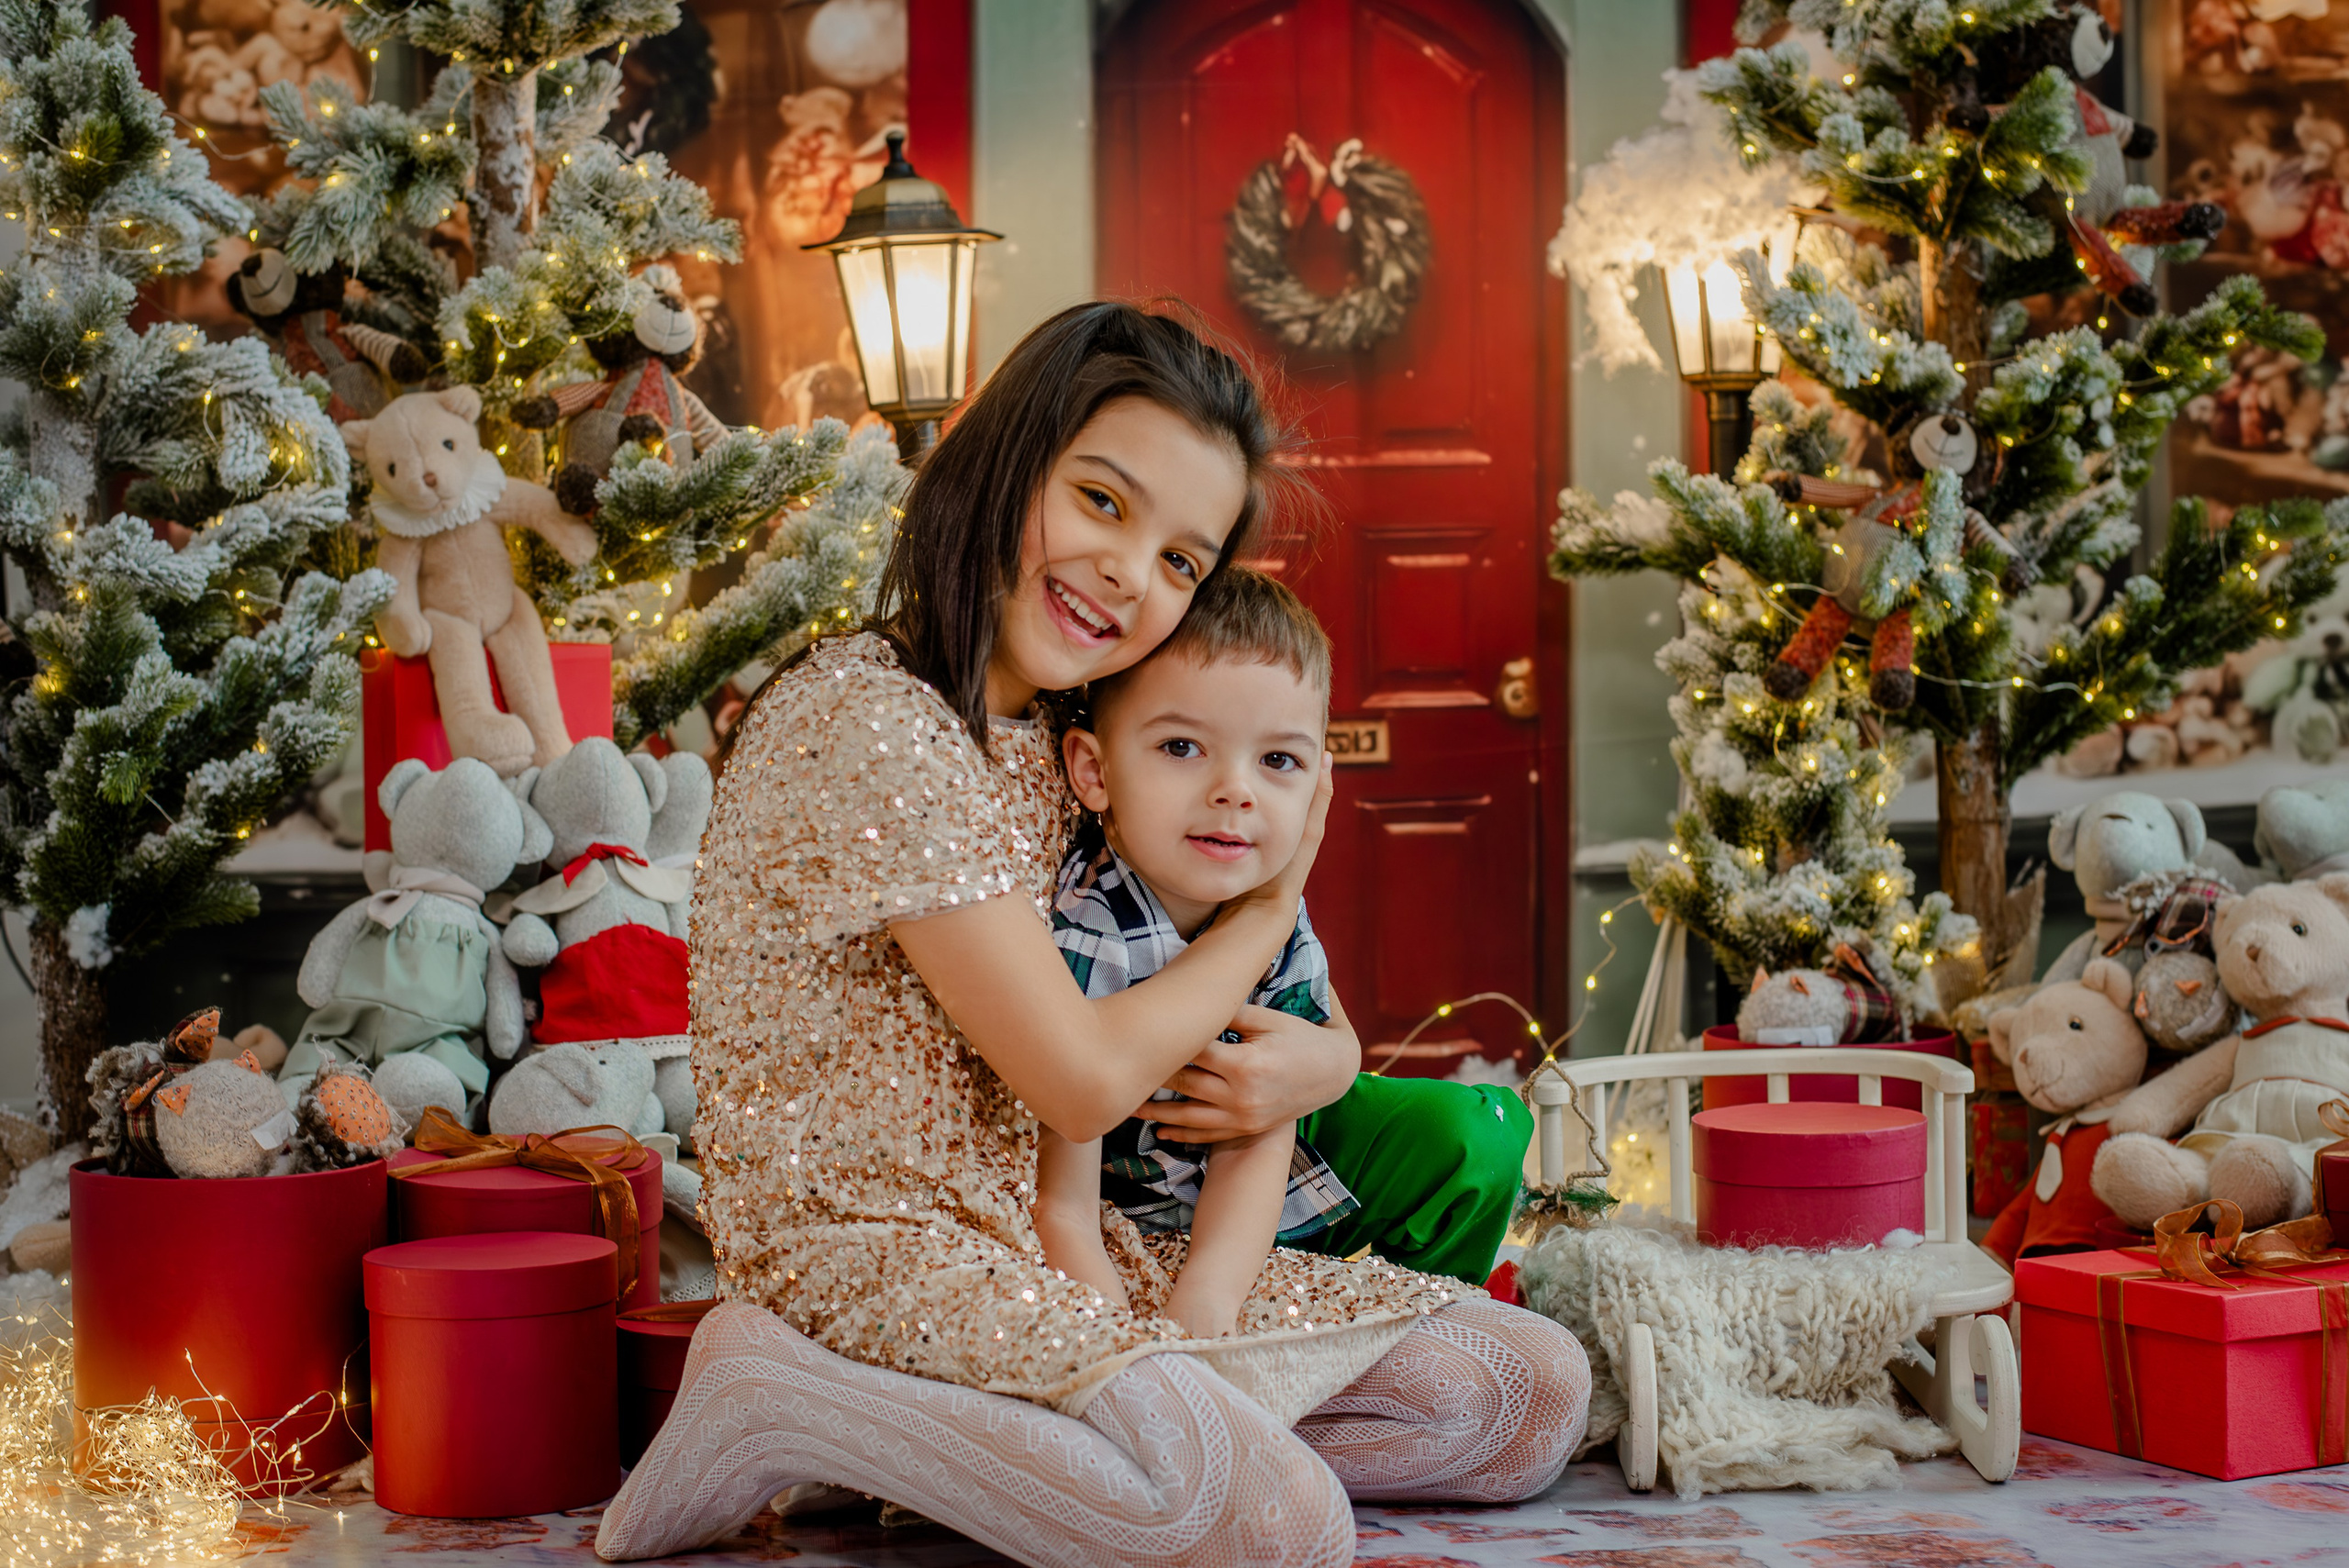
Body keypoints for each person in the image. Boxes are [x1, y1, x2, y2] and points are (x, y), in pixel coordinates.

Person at [597, 302, 1589, 1568]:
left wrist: (1327, 1059)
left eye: (1183, 559)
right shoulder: (876, 721)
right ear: (1009, 457)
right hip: (876, 1253)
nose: (1132, 575)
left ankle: (933, 1448)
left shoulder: (1072, 734)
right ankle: (786, 1386)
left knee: (1526, 1400)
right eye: (1105, 504)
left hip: (1047, 1237)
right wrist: (1274, 903)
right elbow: (1077, 1072)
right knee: (1273, 1527)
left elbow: (1258, 994)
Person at [1037, 566, 1363, 1339]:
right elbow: (1062, 1202)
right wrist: (1128, 1351)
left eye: (1278, 761)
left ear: (1319, 781)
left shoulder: (1272, 911)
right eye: (1182, 746)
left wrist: (1206, 1307)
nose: (1235, 791)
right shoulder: (1086, 933)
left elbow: (1263, 1125)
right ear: (1094, 769)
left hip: (1240, 1218)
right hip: (1102, 1235)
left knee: (1475, 1134)